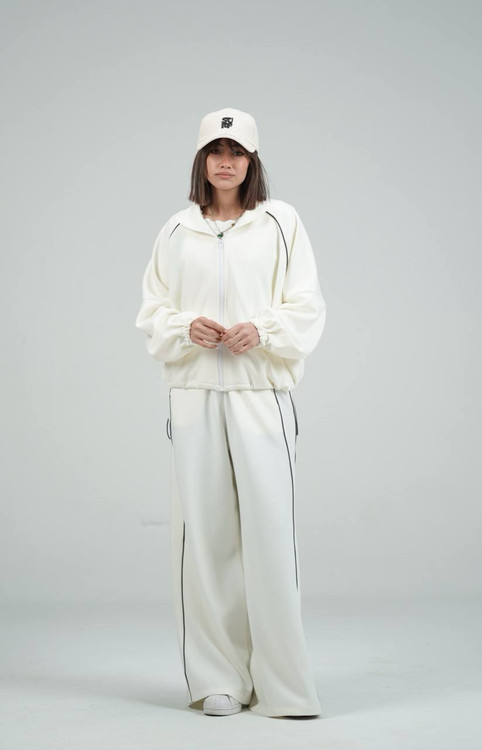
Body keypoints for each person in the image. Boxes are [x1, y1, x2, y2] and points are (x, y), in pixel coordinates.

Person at [135, 107, 326, 718]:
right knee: (204, 537)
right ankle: (217, 679)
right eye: (216, 151)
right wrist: (183, 327)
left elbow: (307, 304)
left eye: (237, 152)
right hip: (193, 397)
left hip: (260, 395)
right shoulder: (176, 230)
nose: (226, 161)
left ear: (252, 161)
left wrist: (262, 331)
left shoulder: (280, 223)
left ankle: (284, 687)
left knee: (270, 536)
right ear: (202, 160)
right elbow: (151, 310)